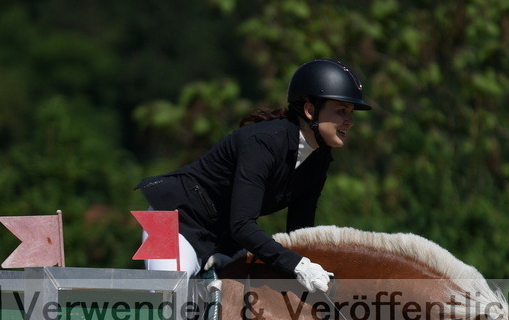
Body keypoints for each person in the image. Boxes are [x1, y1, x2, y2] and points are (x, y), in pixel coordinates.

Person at [135, 58, 371, 292]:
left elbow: (299, 232)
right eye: (341, 111)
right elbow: (242, 225)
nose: (349, 122)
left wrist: (311, 267)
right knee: (168, 301)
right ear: (310, 111)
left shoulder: (319, 159)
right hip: (171, 221)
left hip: (221, 238)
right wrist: (298, 266)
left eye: (351, 113)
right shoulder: (262, 143)